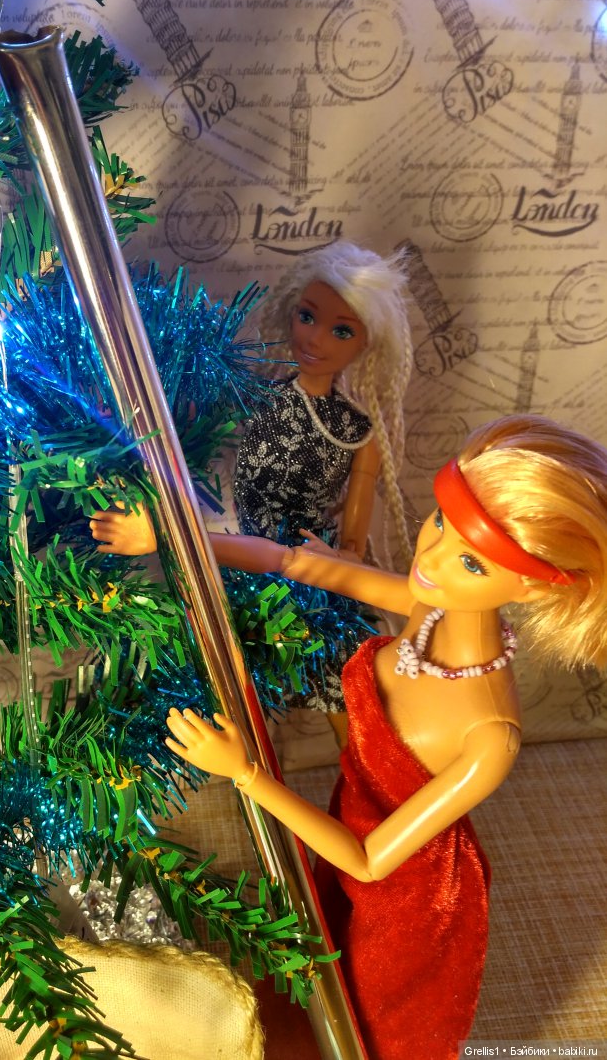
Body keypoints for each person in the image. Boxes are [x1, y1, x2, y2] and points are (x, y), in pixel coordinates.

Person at [90, 414, 607, 1060]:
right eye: (441, 521)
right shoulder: (430, 608)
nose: (431, 557)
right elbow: (290, 561)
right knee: (308, 987)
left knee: (362, 1023)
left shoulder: (489, 736)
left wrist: (245, 773)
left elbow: (368, 860)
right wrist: (170, 537)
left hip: (403, 902)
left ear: (529, 585)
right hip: (338, 828)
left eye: (471, 561)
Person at [233, 240, 413, 570]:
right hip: (239, 560)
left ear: (365, 344)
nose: (315, 339)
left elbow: (353, 549)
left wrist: (339, 558)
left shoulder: (356, 432)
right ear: (291, 314)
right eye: (307, 316)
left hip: (306, 575)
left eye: (341, 331)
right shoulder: (256, 396)